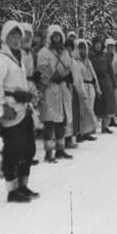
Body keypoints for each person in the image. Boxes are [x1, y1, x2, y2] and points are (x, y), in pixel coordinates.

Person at [0, 21, 38, 203]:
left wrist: (28, 94)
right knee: (13, 151)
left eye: (18, 36)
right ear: (5, 38)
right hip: (10, 111)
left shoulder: (19, 58)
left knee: (28, 149)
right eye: (12, 36)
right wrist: (2, 107)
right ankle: (12, 190)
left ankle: (23, 185)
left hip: (24, 109)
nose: (16, 40)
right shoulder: (0, 60)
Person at [37, 25, 74, 162]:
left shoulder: (64, 52)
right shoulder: (44, 52)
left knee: (61, 121)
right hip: (50, 89)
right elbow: (42, 68)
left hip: (62, 89)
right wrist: (53, 75)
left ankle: (60, 149)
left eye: (58, 36)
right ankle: (48, 152)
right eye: (54, 36)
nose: (56, 38)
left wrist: (67, 75)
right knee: (49, 122)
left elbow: (69, 65)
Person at [72, 39, 100, 142]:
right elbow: (77, 77)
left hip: (90, 86)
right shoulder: (75, 62)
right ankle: (80, 132)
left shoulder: (88, 61)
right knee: (82, 111)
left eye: (84, 48)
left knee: (89, 109)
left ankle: (87, 131)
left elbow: (94, 75)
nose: (83, 50)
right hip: (81, 86)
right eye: (80, 48)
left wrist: (97, 87)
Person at [89, 36, 117, 134]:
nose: (98, 46)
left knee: (107, 104)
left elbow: (110, 70)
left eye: (99, 44)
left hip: (106, 81)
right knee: (95, 105)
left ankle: (105, 126)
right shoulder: (90, 56)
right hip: (95, 81)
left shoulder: (105, 56)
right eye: (96, 44)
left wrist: (114, 83)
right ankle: (92, 127)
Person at [106, 38, 117, 126]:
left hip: (114, 80)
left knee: (114, 100)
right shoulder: (104, 56)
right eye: (109, 46)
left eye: (112, 46)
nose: (111, 48)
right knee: (107, 101)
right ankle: (107, 120)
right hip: (106, 80)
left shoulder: (116, 57)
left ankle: (113, 118)